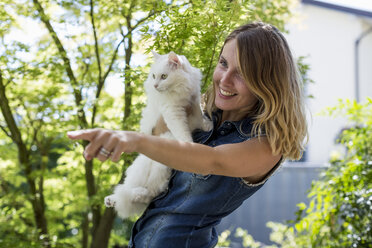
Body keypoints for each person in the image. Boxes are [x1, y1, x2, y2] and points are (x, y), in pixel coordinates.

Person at [67, 22, 308, 248]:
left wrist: (135, 140)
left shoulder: (267, 146)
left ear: (266, 82)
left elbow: (211, 161)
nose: (224, 80)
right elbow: (158, 133)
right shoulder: (204, 113)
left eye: (242, 74)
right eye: (223, 63)